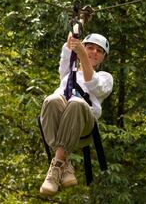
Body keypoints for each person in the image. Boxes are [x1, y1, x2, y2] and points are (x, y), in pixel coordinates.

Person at [39, 32, 113, 196]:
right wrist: (79, 19)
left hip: (84, 127)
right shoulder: (68, 71)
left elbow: (91, 82)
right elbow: (71, 41)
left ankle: (56, 168)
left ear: (103, 58)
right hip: (60, 126)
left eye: (99, 51)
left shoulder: (105, 78)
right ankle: (64, 162)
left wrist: (82, 54)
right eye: (90, 48)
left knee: (76, 103)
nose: (94, 52)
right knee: (51, 100)